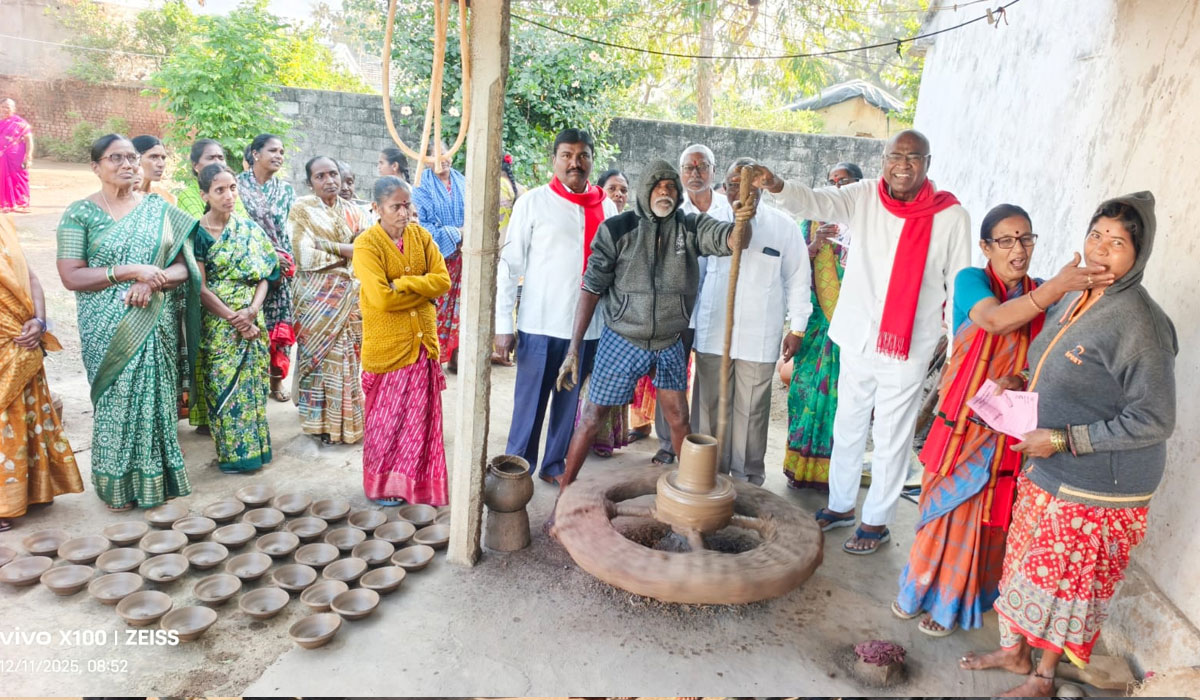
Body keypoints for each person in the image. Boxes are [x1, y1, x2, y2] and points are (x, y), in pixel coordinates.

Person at [961, 192, 1176, 696]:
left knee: (1064, 585)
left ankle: (1043, 676)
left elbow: (1155, 419)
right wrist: (1021, 379)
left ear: (1138, 254)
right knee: (1025, 568)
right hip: (1050, 465)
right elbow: (1055, 359)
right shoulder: (1076, 294)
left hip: (1098, 484)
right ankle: (1015, 653)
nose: (1101, 249)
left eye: (1117, 243)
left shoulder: (1140, 324)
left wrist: (1061, 438)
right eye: (1096, 235)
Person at [895, 204, 1110, 637]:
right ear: (986, 246)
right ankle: (917, 591)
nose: (1019, 249)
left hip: (1007, 428)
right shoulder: (971, 281)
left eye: (1026, 238)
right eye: (1006, 240)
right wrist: (1057, 289)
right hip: (961, 426)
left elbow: (1053, 350)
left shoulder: (1044, 294)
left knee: (986, 516)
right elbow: (993, 321)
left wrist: (1023, 375)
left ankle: (954, 603)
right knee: (943, 510)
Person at [753, 129, 972, 554]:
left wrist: (953, 343)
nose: (903, 165)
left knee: (891, 434)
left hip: (909, 345)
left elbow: (959, 281)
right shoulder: (865, 195)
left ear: (928, 163)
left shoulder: (951, 216)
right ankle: (840, 506)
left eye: (913, 157)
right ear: (883, 159)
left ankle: (876, 521)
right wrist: (777, 185)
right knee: (848, 424)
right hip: (857, 338)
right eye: (895, 156)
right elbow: (816, 201)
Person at [555, 159, 753, 495]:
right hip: (622, 338)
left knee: (679, 418)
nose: (665, 192)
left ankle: (691, 497)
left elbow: (733, 240)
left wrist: (744, 220)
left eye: (671, 187)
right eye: (658, 186)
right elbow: (591, 287)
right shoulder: (617, 229)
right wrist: (573, 349)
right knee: (592, 417)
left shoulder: (690, 226)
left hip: (669, 340)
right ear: (646, 190)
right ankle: (564, 493)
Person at [56, 134, 200, 510]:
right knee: (117, 402)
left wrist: (151, 282)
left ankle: (158, 480)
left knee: (158, 400)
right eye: (115, 158)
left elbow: (185, 268)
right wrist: (129, 271)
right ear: (95, 167)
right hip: (106, 328)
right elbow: (71, 275)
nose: (127, 164)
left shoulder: (159, 208)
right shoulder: (80, 213)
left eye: (132, 157)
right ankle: (116, 489)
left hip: (154, 319)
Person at [495, 129, 617, 484]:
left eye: (582, 156)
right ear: (554, 160)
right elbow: (510, 266)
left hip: (588, 329)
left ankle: (554, 465)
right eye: (566, 155)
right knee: (529, 404)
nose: (575, 163)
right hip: (540, 324)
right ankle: (517, 469)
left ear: (592, 160)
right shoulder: (533, 203)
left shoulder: (607, 207)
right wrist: (503, 324)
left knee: (569, 403)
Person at [690, 157, 811, 486]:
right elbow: (694, 279)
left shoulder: (783, 227)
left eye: (751, 184)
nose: (742, 191)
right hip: (713, 332)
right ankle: (706, 477)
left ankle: (746, 483)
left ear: (762, 187)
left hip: (760, 335)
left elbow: (798, 279)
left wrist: (797, 328)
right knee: (708, 406)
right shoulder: (709, 222)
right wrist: (691, 327)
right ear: (724, 188)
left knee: (752, 411)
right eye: (734, 185)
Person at [353, 176, 451, 506]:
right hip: (388, 347)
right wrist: (424, 292)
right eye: (395, 206)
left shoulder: (421, 237)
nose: (404, 212)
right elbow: (381, 299)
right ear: (377, 208)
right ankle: (383, 487)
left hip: (422, 345)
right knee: (386, 423)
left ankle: (416, 486)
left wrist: (405, 283)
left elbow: (443, 281)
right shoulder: (367, 246)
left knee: (418, 423)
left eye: (407, 205)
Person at [193, 163, 278, 474]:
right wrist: (234, 319)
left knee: (254, 387)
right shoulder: (197, 234)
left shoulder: (248, 229)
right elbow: (199, 287)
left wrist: (252, 311)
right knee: (223, 386)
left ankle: (258, 453)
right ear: (205, 195)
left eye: (232, 188)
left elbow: (267, 274)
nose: (229, 196)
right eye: (219, 190)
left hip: (253, 318)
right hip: (218, 325)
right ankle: (233, 457)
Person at [0, 213, 82, 531]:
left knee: (27, 412)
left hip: (21, 335)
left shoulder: (4, 226)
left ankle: (33, 491)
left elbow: (31, 277)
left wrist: (39, 320)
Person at [783, 162, 862, 491]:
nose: (836, 186)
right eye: (831, 181)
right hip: (815, 327)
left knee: (845, 402)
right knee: (803, 391)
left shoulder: (869, 223)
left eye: (844, 181)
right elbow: (793, 271)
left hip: (854, 330)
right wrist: (814, 245)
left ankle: (834, 476)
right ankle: (799, 468)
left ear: (859, 186)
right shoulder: (811, 222)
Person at [288, 155, 364, 445]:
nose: (329, 180)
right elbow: (303, 254)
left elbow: (366, 248)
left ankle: (345, 426)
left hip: (350, 297)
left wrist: (327, 245)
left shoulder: (355, 211)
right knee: (317, 362)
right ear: (310, 182)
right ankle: (317, 425)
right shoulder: (302, 209)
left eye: (333, 173)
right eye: (320, 176)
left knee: (348, 360)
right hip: (315, 300)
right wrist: (346, 252)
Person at [575, 168, 631, 458]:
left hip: (618, 314)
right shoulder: (594, 223)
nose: (618, 195)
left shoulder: (634, 227)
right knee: (584, 371)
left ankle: (604, 437)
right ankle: (578, 434)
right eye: (612, 189)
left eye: (623, 190)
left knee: (611, 374)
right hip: (589, 307)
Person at [236, 133, 296, 403]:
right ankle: (252, 384)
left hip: (281, 273)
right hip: (248, 269)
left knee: (279, 329)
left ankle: (275, 382)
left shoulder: (286, 191)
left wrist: (284, 261)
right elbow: (235, 226)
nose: (278, 156)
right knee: (251, 326)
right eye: (273, 150)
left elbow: (290, 231)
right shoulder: (237, 186)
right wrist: (268, 255)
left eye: (281, 152)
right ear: (255, 154)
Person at [412, 142, 466, 372]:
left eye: (445, 153)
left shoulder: (462, 181)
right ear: (425, 159)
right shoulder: (420, 186)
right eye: (435, 155)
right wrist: (456, 233)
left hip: (463, 258)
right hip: (435, 260)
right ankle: (429, 357)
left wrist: (467, 234)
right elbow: (421, 226)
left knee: (461, 308)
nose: (442, 159)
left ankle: (456, 356)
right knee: (434, 308)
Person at [490, 152, 525, 367]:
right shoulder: (521, 189)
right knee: (509, 301)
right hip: (515, 252)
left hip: (496, 250)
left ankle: (495, 348)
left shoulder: (494, 187)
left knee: (495, 300)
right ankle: (508, 352)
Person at [175, 139, 247, 218]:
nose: (217, 162)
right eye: (210, 158)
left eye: (221, 158)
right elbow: (199, 225)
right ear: (195, 165)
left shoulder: (230, 192)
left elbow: (245, 223)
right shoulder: (188, 196)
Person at [0, 98, 33, 214]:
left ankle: (22, 204)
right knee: (3, 179)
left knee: (19, 178)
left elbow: (29, 141)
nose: (5, 109)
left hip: (17, 158)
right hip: (2, 158)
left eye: (8, 107)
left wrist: (28, 157)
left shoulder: (20, 124)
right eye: (3, 107)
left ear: (13, 109)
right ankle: (6, 204)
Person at [131, 135, 176, 205]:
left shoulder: (165, 198)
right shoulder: (117, 199)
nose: (161, 164)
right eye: (153, 157)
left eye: (163, 158)